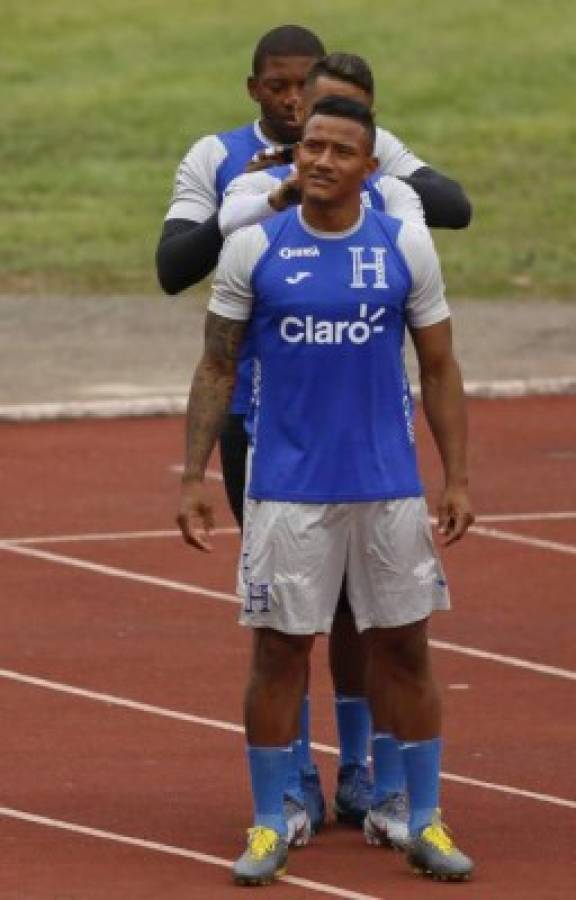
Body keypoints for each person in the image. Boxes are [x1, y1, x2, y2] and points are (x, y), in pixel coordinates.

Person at [157, 30, 473, 835]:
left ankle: (370, 773)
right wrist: (271, 198)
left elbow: (445, 218)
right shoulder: (226, 170)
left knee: (369, 619)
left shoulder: (382, 181)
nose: (298, 106)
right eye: (283, 90)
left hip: (372, 438)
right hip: (263, 427)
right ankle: (293, 778)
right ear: (255, 89)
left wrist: (372, 176)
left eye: (320, 99)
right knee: (287, 620)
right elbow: (175, 269)